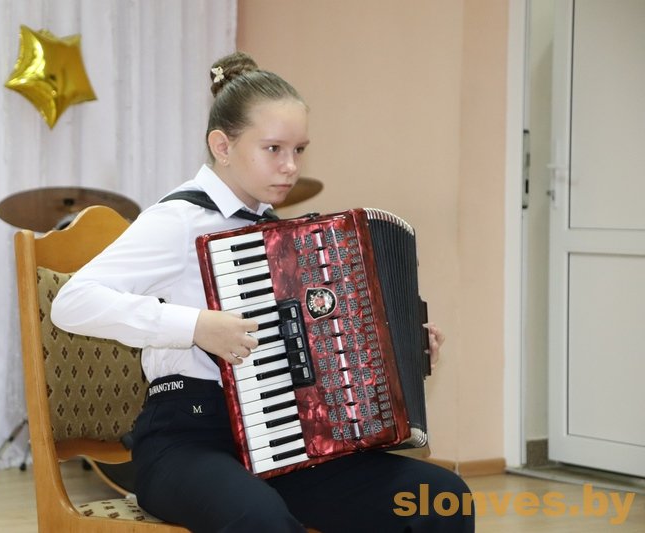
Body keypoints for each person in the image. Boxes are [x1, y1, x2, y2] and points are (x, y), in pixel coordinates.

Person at [51, 51, 474, 533]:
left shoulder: (281, 239)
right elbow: (73, 302)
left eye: (299, 150)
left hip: (284, 444)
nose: (290, 166)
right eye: (273, 149)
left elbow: (316, 354)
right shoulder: (178, 221)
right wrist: (195, 326)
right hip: (186, 442)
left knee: (439, 498)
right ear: (222, 146)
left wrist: (400, 354)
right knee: (260, 520)